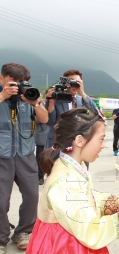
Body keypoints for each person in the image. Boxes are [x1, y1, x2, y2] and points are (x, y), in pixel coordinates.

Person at [26, 108, 119, 254]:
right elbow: (91, 231)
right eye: (101, 139)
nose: (103, 145)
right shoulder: (64, 182)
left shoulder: (73, 165)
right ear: (79, 140)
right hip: (64, 245)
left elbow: (86, 198)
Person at [0, 63, 48, 252]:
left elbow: (44, 119)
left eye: (22, 82)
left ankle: (24, 232)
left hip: (25, 154)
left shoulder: (28, 96)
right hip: (2, 154)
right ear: (2, 78)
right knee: (1, 199)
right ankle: (1, 238)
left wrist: (35, 103)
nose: (18, 87)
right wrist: (3, 95)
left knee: (32, 195)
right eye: (14, 82)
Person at [45, 69, 99, 148]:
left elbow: (96, 114)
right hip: (59, 143)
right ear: (65, 83)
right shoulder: (57, 98)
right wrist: (51, 102)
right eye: (72, 81)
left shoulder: (84, 100)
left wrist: (82, 93)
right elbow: (50, 122)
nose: (74, 84)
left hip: (79, 144)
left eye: (77, 82)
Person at [35, 89, 51, 185]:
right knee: (40, 158)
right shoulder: (38, 104)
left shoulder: (55, 104)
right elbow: (37, 119)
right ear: (46, 94)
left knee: (51, 158)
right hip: (41, 136)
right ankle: (39, 176)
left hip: (52, 137)